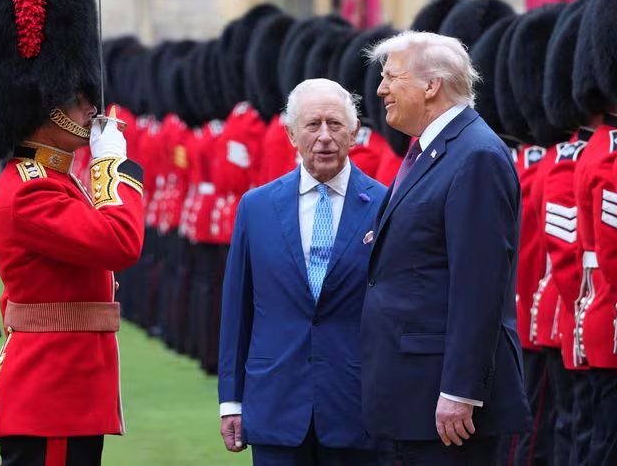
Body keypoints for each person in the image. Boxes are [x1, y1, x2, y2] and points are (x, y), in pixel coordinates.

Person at [0, 0, 144, 465]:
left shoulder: (55, 180)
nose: (90, 109)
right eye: (77, 99)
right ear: (46, 107)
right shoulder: (33, 189)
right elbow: (121, 241)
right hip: (51, 398)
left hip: (67, 394)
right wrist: (115, 165)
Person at [361, 31, 531, 465]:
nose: (380, 89)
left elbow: (479, 285)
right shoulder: (431, 151)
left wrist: (460, 389)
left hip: (444, 400)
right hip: (412, 389)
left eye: (391, 77)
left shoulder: (473, 155)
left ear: (431, 85)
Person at [218, 78, 387, 465]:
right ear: (292, 134)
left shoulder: (385, 205)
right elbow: (237, 310)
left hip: (357, 406)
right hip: (275, 402)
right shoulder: (256, 207)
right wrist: (231, 400)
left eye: (335, 124)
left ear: (355, 131)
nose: (324, 137)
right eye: (313, 125)